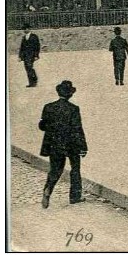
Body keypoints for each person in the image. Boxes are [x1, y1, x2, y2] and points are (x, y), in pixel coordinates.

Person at [39, 80, 87, 208]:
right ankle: (74, 197)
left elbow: (42, 126)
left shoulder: (48, 107)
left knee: (55, 169)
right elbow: (78, 129)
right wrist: (83, 147)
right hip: (71, 144)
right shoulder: (74, 109)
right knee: (75, 169)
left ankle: (48, 189)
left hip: (55, 143)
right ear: (70, 95)